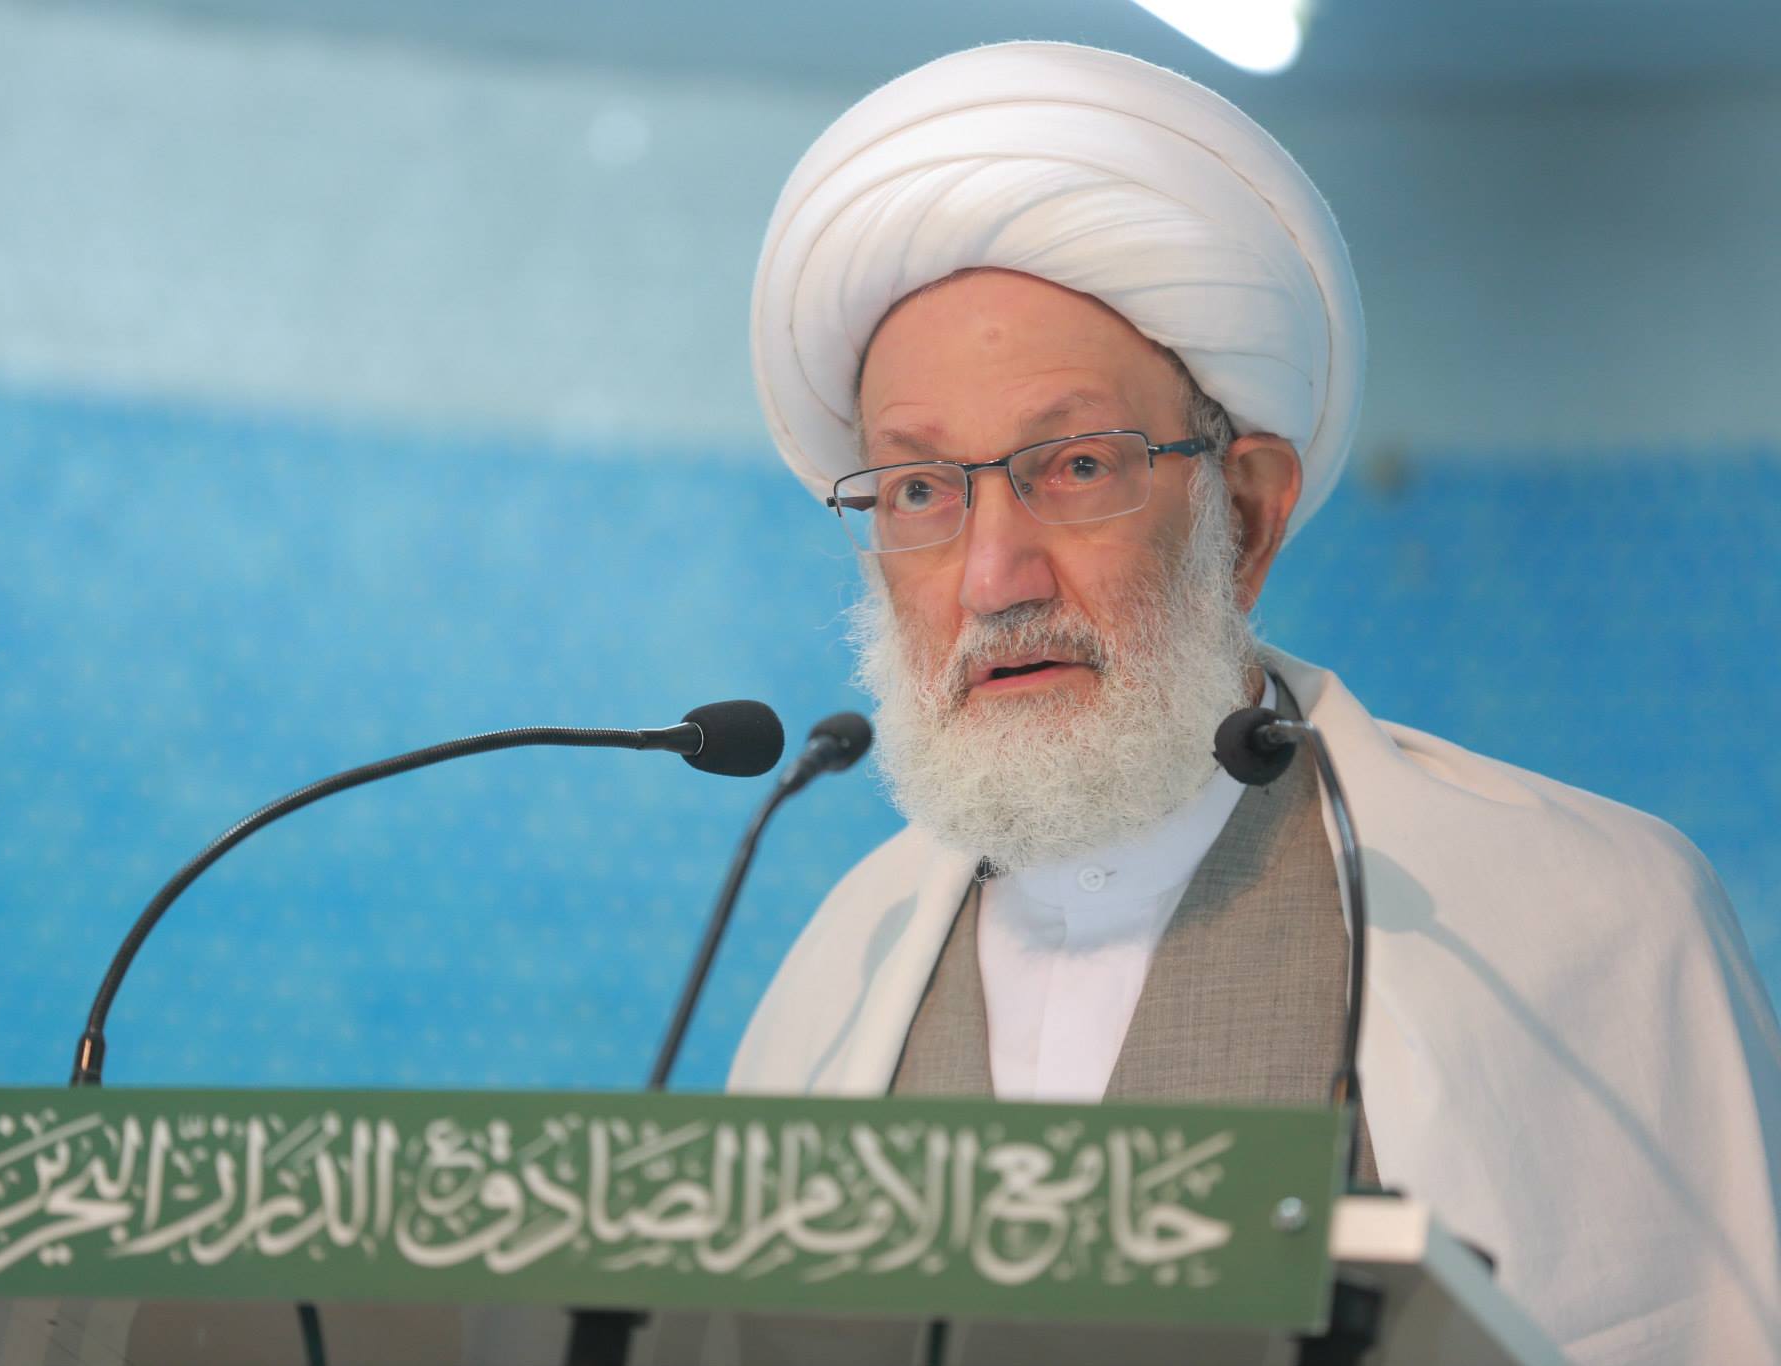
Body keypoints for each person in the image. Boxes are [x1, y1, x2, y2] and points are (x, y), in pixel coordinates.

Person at [726, 41, 1781, 1364]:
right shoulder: (842, 963)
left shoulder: (1591, 927)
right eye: (921, 491)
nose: (994, 577)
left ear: (1245, 511)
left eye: (1077, 465)